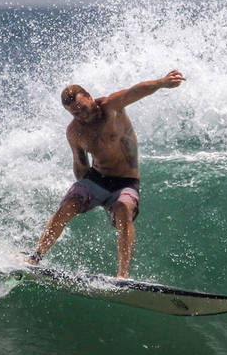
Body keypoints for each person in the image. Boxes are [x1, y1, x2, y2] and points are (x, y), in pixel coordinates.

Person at [28, 70, 186, 278]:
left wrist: (161, 83)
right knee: (67, 205)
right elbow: (80, 162)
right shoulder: (74, 131)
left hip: (125, 182)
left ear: (89, 97)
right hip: (96, 179)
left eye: (81, 107)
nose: (81, 114)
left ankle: (122, 275)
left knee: (123, 209)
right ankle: (35, 258)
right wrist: (81, 194)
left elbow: (134, 91)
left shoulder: (112, 106)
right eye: (75, 113)